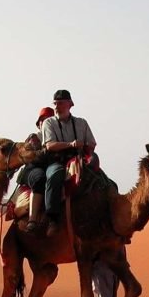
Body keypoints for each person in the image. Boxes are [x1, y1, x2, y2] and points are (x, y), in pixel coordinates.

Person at [39, 89, 96, 237]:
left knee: (100, 178)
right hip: (57, 160)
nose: (57, 106)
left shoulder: (81, 123)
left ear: (70, 104)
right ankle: (52, 219)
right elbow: (50, 145)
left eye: (60, 103)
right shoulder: (48, 123)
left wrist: (86, 147)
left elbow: (92, 142)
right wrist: (71, 144)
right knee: (55, 175)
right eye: (55, 103)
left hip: (79, 158)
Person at [17, 107, 55, 233]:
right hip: (33, 168)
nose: (45, 123)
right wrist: (50, 150)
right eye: (43, 121)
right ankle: (32, 220)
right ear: (39, 124)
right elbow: (34, 157)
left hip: (50, 167)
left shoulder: (57, 138)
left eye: (49, 120)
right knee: (40, 179)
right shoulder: (34, 138)